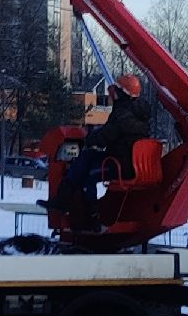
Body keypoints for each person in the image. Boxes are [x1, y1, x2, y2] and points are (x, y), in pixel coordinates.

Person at [50, 74, 156, 221]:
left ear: (121, 93)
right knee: (88, 156)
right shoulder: (141, 116)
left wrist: (87, 139)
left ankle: (87, 213)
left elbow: (104, 137)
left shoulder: (122, 116)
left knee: (88, 175)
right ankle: (66, 200)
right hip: (131, 163)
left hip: (119, 166)